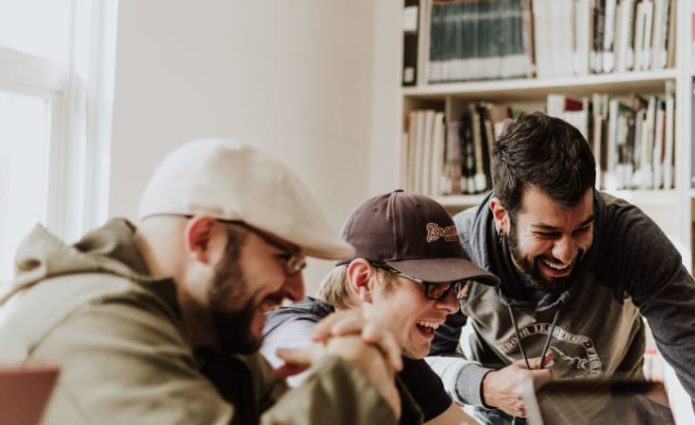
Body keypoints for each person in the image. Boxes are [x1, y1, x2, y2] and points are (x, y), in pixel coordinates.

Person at [0, 139, 417, 425]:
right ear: (203, 239)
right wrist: (349, 378)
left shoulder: (209, 331)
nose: (295, 289)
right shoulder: (93, 322)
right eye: (286, 258)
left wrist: (372, 369)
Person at [427, 112, 695, 425]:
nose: (566, 253)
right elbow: (423, 360)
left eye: (582, 228)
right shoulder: (461, 249)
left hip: (614, 416)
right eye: (547, 233)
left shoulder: (629, 238)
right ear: (501, 216)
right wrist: (485, 387)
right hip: (502, 418)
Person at [261, 190, 499, 425]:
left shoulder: (397, 350)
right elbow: (310, 360)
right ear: (363, 280)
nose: (452, 305)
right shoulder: (292, 330)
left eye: (457, 287)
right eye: (433, 285)